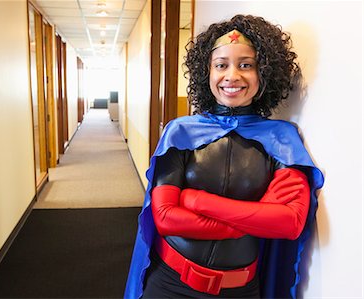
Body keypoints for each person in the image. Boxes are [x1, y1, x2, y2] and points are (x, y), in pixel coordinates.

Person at [124, 14, 324, 298]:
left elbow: (289, 222)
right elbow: (166, 217)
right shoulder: (180, 133)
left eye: (246, 65)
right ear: (207, 73)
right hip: (169, 283)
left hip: (240, 290)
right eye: (221, 65)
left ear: (264, 73)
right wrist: (253, 220)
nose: (232, 76)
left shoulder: (282, 139)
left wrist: (196, 200)